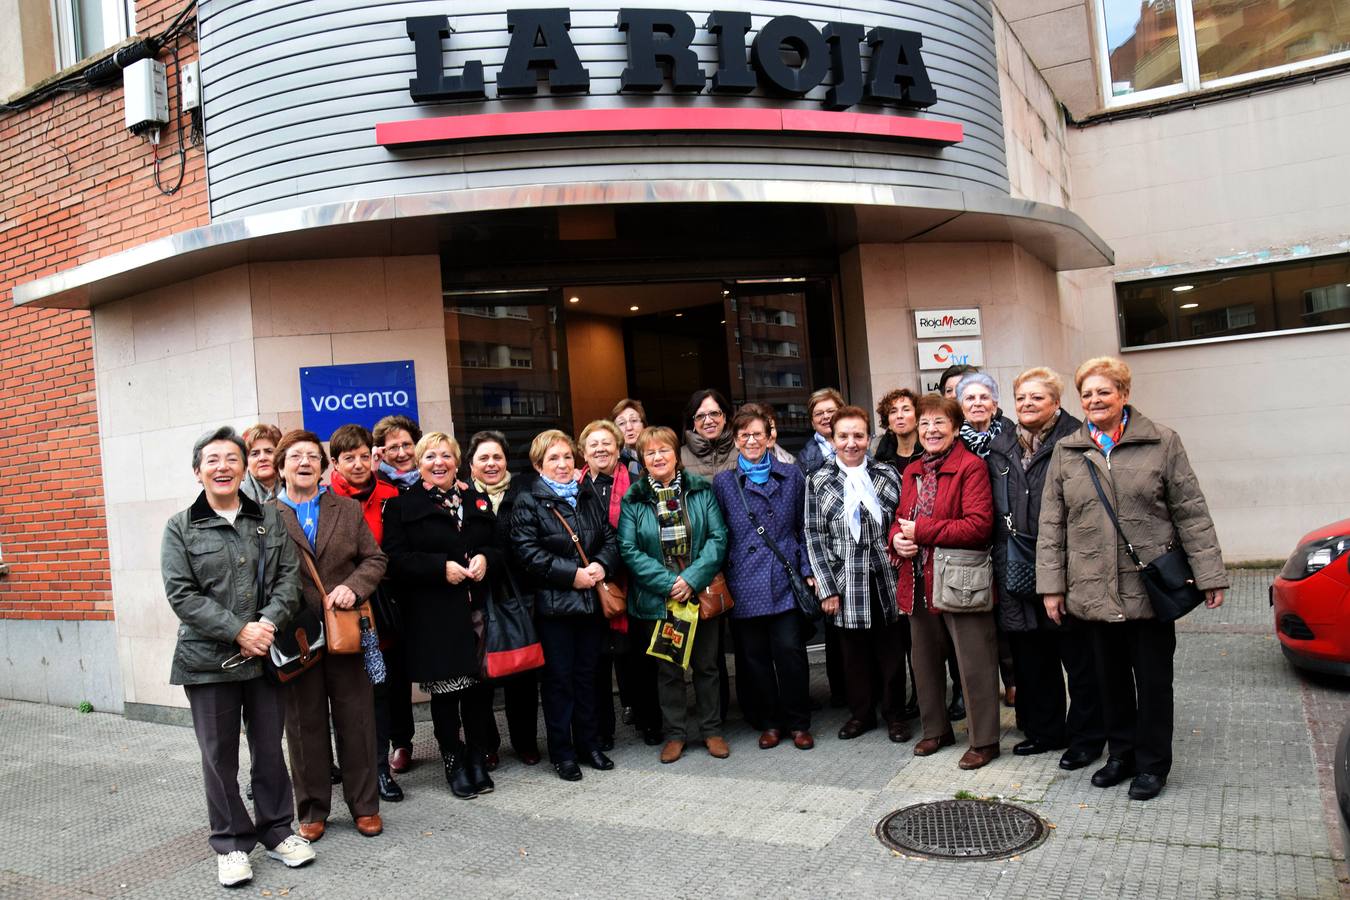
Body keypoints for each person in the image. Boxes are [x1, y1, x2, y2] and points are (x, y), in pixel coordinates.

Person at [1038, 357, 1227, 801]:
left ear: (1124, 394)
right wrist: (1051, 587)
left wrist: (1210, 575)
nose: (1094, 400)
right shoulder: (1068, 450)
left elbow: (1191, 513)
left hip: (1149, 591)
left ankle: (1153, 763)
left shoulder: (1162, 441)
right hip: (1091, 589)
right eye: (1087, 393)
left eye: (1104, 391)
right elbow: (1052, 526)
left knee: (1154, 682)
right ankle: (1120, 754)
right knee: (1111, 681)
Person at [161, 426, 314, 888]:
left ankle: (278, 831)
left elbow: (290, 580)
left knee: (269, 749)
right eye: (213, 460)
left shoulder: (268, 519)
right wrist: (237, 630)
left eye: (232, 458)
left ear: (245, 467)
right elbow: (181, 594)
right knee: (219, 756)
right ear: (198, 471)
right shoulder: (180, 527)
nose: (223, 466)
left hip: (266, 656)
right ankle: (230, 844)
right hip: (208, 662)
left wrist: (265, 625)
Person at [985, 369, 1105, 770]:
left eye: (1037, 397)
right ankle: (1044, 731)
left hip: (1066, 565)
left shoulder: (1075, 440)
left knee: (1078, 657)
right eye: (1021, 398)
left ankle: (1087, 738)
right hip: (1016, 564)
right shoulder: (1001, 444)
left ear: (1055, 401)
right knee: (1032, 656)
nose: (1027, 404)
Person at [271, 430, 387, 841]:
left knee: (355, 718)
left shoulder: (347, 509)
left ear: (323, 467)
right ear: (281, 466)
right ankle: (313, 809)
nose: (304, 462)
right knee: (303, 724)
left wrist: (353, 587)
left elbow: (375, 559)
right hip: (294, 635)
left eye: (312, 457)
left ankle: (365, 806)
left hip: (344, 628)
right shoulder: (265, 516)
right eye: (295, 457)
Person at [382, 432, 501, 799]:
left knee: (479, 692)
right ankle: (453, 759)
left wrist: (486, 558)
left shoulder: (475, 499)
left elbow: (499, 545)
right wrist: (439, 568)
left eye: (446, 456)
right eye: (430, 456)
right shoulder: (403, 507)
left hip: (475, 612)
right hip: (433, 616)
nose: (439, 463)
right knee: (448, 693)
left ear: (456, 461)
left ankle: (478, 757)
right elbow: (395, 560)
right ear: (418, 464)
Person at [890, 394, 1001, 770]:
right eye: (924, 423)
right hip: (918, 578)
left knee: (974, 662)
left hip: (960, 580)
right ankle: (936, 730)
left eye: (939, 423)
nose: (930, 430)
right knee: (923, 662)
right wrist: (897, 539)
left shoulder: (971, 467)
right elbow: (900, 518)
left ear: (955, 428)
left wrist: (920, 531)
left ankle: (984, 740)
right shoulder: (913, 470)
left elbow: (978, 526)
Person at [511, 429, 622, 781]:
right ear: (538, 465)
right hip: (556, 608)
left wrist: (602, 564)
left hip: (590, 604)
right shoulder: (529, 501)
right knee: (560, 682)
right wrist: (570, 574)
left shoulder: (586, 494)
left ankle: (589, 745)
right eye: (553, 459)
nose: (562, 465)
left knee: (588, 677)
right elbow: (527, 553)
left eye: (566, 457)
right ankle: (563, 752)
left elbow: (608, 537)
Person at [619, 425, 730, 764]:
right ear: (643, 459)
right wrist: (669, 583)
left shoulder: (700, 490)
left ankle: (711, 730)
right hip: (660, 597)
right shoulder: (634, 498)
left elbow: (718, 538)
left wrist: (691, 579)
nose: (658, 457)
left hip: (698, 591)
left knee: (707, 666)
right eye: (650, 453)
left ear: (676, 455)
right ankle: (675, 734)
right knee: (668, 671)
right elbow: (628, 548)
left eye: (663, 450)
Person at [803, 406, 909, 743]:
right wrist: (827, 588)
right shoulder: (818, 480)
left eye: (858, 435)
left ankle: (895, 714)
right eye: (843, 436)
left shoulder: (887, 473)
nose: (851, 443)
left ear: (869, 438)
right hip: (845, 580)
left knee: (891, 653)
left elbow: (901, 520)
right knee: (854, 655)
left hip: (886, 576)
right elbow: (814, 535)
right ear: (832, 440)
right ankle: (861, 714)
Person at [713, 405, 814, 750]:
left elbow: (804, 528)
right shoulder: (724, 483)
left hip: (784, 576)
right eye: (744, 435)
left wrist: (807, 571)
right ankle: (770, 723)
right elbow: (721, 534)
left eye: (757, 433)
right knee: (754, 659)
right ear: (736, 441)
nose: (751, 440)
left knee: (790, 652)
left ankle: (799, 723)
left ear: (770, 437)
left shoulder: (792, 475)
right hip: (744, 581)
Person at [327, 424, 405, 802]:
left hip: (382, 609)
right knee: (343, 695)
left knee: (380, 692)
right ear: (335, 463)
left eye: (363, 456)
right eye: (348, 458)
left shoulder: (391, 496)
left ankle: (380, 770)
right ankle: (348, 769)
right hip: (342, 611)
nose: (358, 464)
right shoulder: (325, 501)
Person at [468, 430, 542, 767]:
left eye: (497, 457)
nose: (491, 464)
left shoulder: (524, 493)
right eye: (483, 458)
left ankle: (525, 741)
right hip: (477, 598)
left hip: (519, 593)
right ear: (470, 465)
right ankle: (487, 745)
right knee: (481, 677)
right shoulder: (462, 498)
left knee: (521, 672)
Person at [577, 420, 645, 752]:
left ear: (618, 448)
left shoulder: (635, 482)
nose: (601, 449)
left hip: (632, 582)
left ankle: (649, 721)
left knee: (637, 656)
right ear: (583, 452)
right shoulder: (573, 487)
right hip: (588, 584)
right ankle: (603, 731)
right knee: (597, 662)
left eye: (607, 443)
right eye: (594, 445)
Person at [956, 371, 1018, 705]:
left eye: (984, 397)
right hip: (969, 539)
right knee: (977, 616)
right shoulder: (954, 443)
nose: (977, 403)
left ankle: (1012, 680)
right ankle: (977, 690)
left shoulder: (1012, 437)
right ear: (960, 406)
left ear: (995, 403)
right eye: (970, 398)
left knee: (1009, 612)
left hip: (1006, 538)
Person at [370, 414, 421, 775]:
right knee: (392, 675)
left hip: (426, 587)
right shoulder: (376, 486)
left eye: (407, 444)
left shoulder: (434, 479)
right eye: (393, 447)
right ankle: (399, 742)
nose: (402, 452)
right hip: (388, 595)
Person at [873, 387, 924, 719]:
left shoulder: (931, 449)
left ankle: (945, 693)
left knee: (933, 633)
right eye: (894, 412)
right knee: (905, 633)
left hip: (929, 549)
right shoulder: (880, 458)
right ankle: (916, 696)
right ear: (887, 422)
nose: (901, 415)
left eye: (906, 409)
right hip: (895, 555)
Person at [680, 388, 737, 478]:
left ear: (724, 417)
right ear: (693, 422)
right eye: (700, 416)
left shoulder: (742, 448)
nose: (708, 421)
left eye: (714, 413)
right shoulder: (679, 457)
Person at [796, 387, 844, 476]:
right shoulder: (804, 457)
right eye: (819, 413)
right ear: (813, 423)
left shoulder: (860, 442)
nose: (826, 416)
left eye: (830, 411)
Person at [373, 414, 423, 491]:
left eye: (406, 445)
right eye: (393, 448)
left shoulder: (431, 478)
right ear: (382, 453)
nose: (402, 454)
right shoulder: (374, 485)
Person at [241, 423, 282, 505]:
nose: (262, 458)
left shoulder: (294, 491)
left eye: (269, 451)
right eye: (255, 454)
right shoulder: (236, 496)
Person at [611, 399, 647, 477]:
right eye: (622, 423)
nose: (629, 427)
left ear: (644, 425)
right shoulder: (612, 461)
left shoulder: (657, 454)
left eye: (634, 420)